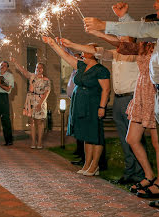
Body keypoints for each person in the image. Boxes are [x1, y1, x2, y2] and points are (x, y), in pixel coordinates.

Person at [60, 36, 144, 184]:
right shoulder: (113, 54)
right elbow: (89, 52)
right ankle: (130, 171)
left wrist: (102, 106)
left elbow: (105, 89)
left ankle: (140, 173)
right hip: (118, 98)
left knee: (133, 138)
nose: (119, 41)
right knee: (124, 138)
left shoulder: (134, 55)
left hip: (129, 98)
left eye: (123, 39)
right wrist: (63, 44)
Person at [43, 36, 110, 177]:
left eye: (85, 50)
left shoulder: (101, 70)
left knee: (94, 135)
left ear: (93, 53)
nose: (82, 52)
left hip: (93, 104)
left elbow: (106, 90)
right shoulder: (81, 65)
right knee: (86, 135)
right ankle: (87, 163)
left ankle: (95, 165)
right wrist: (52, 44)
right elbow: (65, 55)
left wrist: (102, 107)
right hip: (79, 104)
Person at [12, 58, 50, 149]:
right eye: (37, 67)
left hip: (40, 100)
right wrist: (15, 62)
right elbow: (23, 71)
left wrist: (40, 103)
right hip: (31, 100)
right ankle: (33, 141)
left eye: (40, 68)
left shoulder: (46, 80)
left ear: (43, 69)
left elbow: (46, 92)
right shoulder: (32, 76)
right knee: (32, 121)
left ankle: (40, 142)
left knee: (39, 122)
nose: (38, 69)